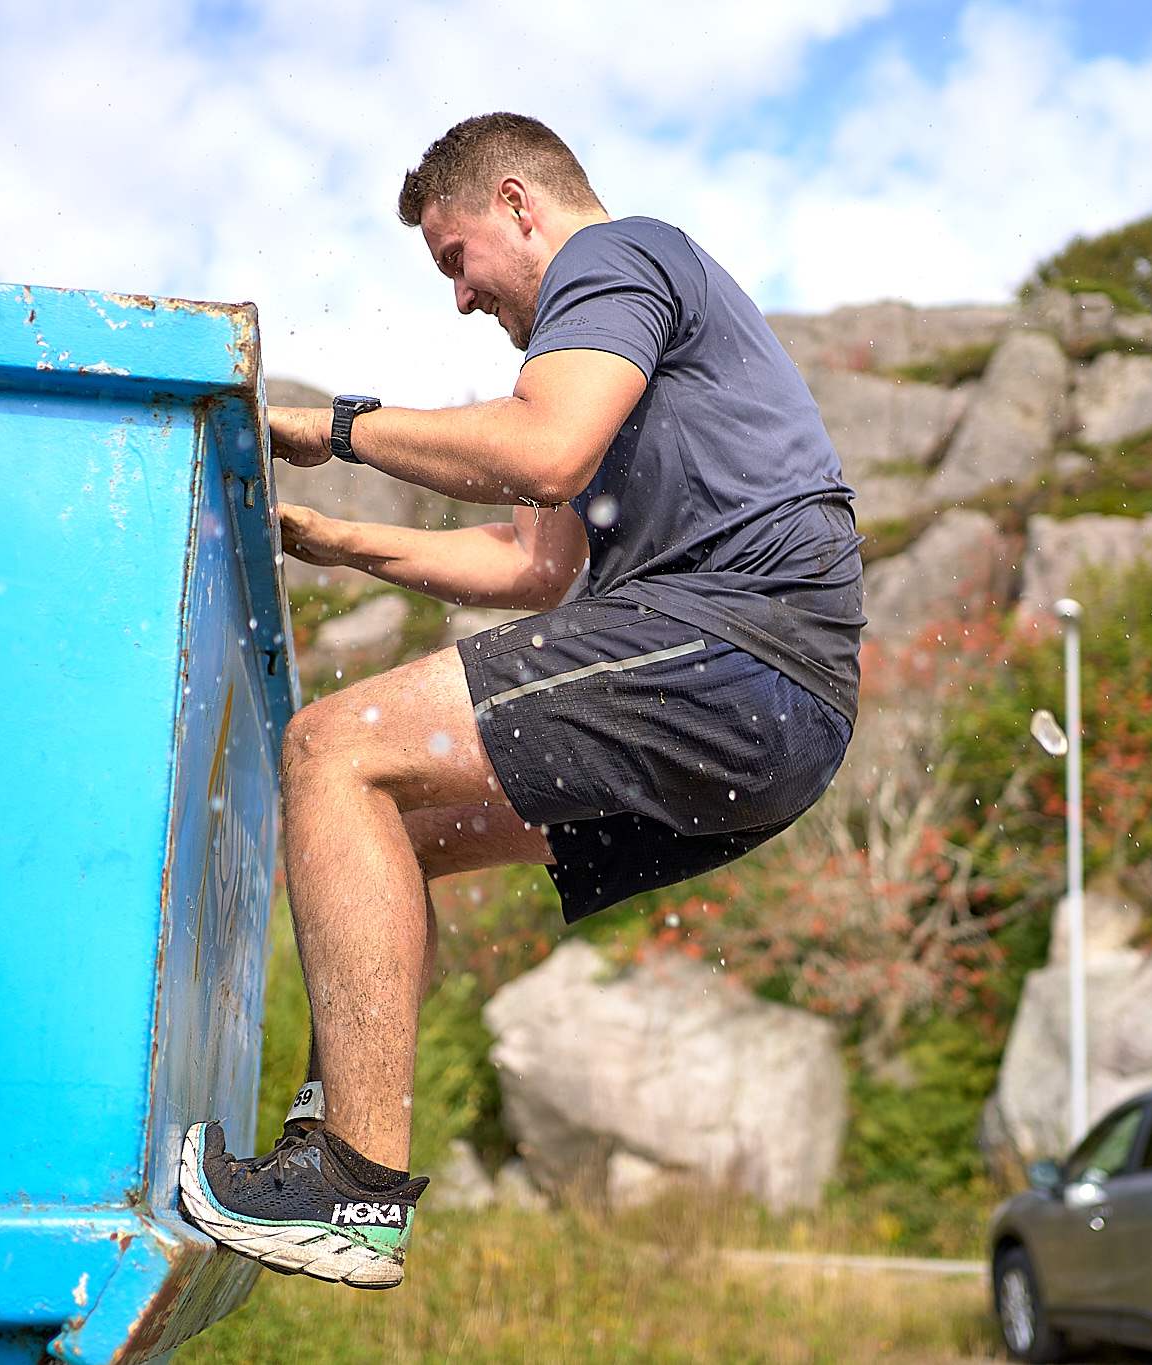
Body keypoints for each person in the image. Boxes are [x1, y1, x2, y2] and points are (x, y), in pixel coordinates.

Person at [177, 112, 863, 1289]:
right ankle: (332, 1138)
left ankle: (350, 1186)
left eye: (455, 259)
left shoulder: (615, 258)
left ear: (516, 203)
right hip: (774, 710)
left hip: (741, 646)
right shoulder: (593, 350)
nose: (459, 298)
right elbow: (532, 566)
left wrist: (339, 428)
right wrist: (333, 539)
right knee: (386, 829)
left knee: (333, 748)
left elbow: (543, 452)